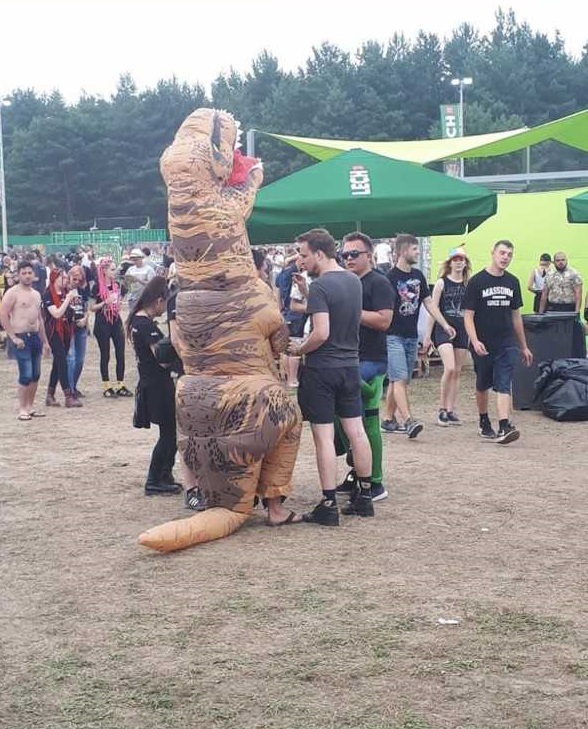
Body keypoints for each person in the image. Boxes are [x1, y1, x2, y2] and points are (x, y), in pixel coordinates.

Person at [289, 228, 374, 526]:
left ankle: (328, 505)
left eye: (304, 255)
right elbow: (338, 311)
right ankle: (365, 497)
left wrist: (299, 349)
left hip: (322, 369)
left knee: (323, 437)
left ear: (319, 253)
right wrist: (308, 292)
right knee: (356, 431)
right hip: (350, 366)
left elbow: (322, 332)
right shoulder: (353, 281)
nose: (300, 261)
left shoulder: (322, 286)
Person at [336, 232, 394, 504]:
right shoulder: (345, 282)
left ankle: (374, 480)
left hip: (371, 360)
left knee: (362, 419)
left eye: (353, 254)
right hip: (348, 358)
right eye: (344, 254)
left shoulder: (379, 283)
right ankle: (357, 464)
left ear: (369, 255)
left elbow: (384, 321)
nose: (348, 259)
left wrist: (350, 311)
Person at [381, 234, 456, 438]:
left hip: (411, 336)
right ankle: (408, 420)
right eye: (414, 249)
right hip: (392, 336)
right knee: (399, 378)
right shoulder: (389, 278)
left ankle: (388, 419)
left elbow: (429, 302)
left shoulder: (418, 275)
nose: (418, 252)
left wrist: (444, 324)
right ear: (403, 251)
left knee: (400, 380)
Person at [463, 239, 533, 444]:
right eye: (502, 253)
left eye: (509, 255)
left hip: (506, 341)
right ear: (493, 253)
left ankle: (504, 425)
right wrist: (475, 340)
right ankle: (484, 421)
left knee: (504, 382)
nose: (505, 258)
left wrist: (524, 346)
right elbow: (468, 316)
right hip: (483, 342)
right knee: (482, 383)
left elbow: (516, 316)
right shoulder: (477, 282)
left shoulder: (512, 282)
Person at [127, 276, 182, 496]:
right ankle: (154, 479)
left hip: (153, 382)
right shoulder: (144, 325)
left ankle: (164, 475)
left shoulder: (138, 321)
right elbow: (161, 358)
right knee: (168, 434)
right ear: (159, 301)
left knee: (170, 432)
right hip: (157, 384)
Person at [423, 246, 471, 426]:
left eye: (461, 259)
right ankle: (441, 409)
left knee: (457, 371)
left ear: (465, 263)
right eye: (455, 259)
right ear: (450, 263)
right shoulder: (441, 283)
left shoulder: (468, 284)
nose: (458, 262)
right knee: (449, 368)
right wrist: (427, 336)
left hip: (462, 328)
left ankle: (451, 409)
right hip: (444, 328)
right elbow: (432, 310)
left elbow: (471, 311)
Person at [0, 259, 50, 420]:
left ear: (34, 274)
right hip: (21, 337)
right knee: (26, 374)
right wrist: (13, 337)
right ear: (19, 275)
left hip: (34, 336)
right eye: (24, 273)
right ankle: (22, 408)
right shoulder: (12, 293)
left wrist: (45, 342)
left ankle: (30, 406)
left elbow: (40, 319)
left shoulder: (36, 294)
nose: (27, 276)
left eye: (29, 273)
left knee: (36, 374)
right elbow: (3, 315)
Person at [90, 257, 133, 398]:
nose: (115, 272)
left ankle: (120, 384)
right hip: (102, 322)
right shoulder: (97, 286)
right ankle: (106, 385)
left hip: (115, 320)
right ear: (104, 271)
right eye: (112, 269)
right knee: (105, 354)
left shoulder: (117, 285)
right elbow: (92, 307)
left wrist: (118, 303)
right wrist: (105, 303)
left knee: (120, 352)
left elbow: (121, 298)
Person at [43, 267, 83, 408]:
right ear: (55, 279)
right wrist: (67, 300)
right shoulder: (48, 294)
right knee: (62, 360)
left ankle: (50, 395)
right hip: (53, 331)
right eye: (63, 277)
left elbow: (70, 312)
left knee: (58, 362)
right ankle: (68, 395)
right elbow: (57, 314)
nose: (66, 280)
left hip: (66, 330)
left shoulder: (66, 292)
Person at [66, 265, 90, 398]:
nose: (76, 281)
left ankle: (73, 386)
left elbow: (87, 307)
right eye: (74, 278)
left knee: (80, 360)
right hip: (69, 327)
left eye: (79, 279)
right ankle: (69, 390)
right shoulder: (64, 290)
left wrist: (85, 319)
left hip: (81, 327)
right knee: (71, 359)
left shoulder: (82, 290)